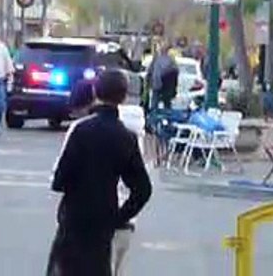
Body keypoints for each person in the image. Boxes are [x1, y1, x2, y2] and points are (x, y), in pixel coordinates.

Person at [48, 70, 152, 276]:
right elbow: (143, 189)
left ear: (96, 91)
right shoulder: (126, 137)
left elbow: (59, 180)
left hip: (74, 217)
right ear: (123, 97)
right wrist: (120, 217)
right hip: (105, 218)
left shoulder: (81, 131)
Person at [146, 44, 179, 110]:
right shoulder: (157, 58)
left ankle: (162, 114)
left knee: (164, 102)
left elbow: (174, 72)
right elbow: (151, 70)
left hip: (164, 85)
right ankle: (154, 115)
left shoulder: (170, 60)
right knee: (156, 102)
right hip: (157, 84)